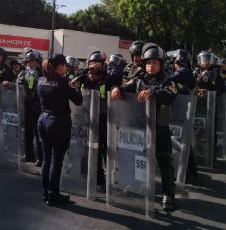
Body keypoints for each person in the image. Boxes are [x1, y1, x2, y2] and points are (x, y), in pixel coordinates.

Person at [111, 43, 179, 212]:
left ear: (161, 64)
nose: (150, 66)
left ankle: (168, 195)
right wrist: (116, 89)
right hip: (140, 127)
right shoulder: (140, 78)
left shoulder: (168, 80)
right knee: (137, 159)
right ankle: (136, 187)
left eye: (154, 63)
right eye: (148, 62)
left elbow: (169, 96)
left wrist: (153, 93)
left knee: (164, 161)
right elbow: (127, 86)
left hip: (159, 127)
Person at [37, 54, 83, 206]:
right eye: (65, 65)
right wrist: (77, 86)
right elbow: (78, 100)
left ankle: (45, 192)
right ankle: (53, 195)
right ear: (60, 66)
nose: (66, 68)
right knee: (56, 161)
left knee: (46, 159)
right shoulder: (63, 82)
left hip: (43, 120)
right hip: (58, 123)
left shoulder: (41, 80)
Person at [72, 50, 117, 191]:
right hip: (89, 120)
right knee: (91, 150)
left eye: (95, 67)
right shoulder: (86, 78)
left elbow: (117, 78)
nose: (92, 71)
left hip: (106, 121)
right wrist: (88, 69)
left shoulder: (108, 79)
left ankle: (110, 180)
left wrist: (115, 88)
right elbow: (74, 80)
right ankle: (95, 178)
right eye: (90, 66)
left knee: (106, 152)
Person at [17, 49, 43, 166]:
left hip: (38, 106)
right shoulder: (22, 73)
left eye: (33, 61)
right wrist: (19, 83)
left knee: (38, 134)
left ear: (37, 62)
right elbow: (16, 86)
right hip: (26, 105)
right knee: (27, 132)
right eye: (29, 61)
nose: (31, 63)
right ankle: (29, 155)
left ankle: (41, 157)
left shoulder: (42, 73)